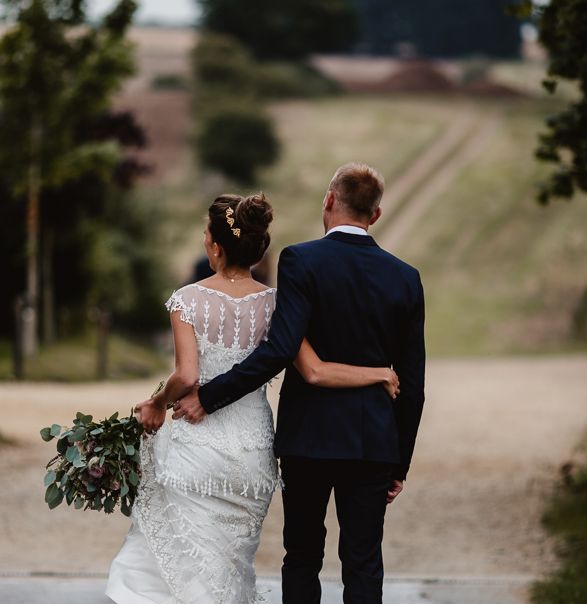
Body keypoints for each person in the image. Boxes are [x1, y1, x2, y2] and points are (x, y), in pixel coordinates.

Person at [106, 191, 401, 604]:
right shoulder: (277, 306)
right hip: (251, 453)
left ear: (215, 244)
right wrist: (377, 373)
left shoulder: (187, 300)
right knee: (230, 563)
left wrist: (157, 402)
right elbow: (314, 370)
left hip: (199, 444)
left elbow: (187, 375)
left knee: (183, 559)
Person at [175, 164, 426, 604]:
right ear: (377, 214)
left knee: (303, 556)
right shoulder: (405, 278)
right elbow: (414, 384)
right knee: (364, 561)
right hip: (371, 444)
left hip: (307, 438)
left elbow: (278, 350)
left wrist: (209, 397)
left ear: (329, 200)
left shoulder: (301, 260)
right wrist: (398, 463)